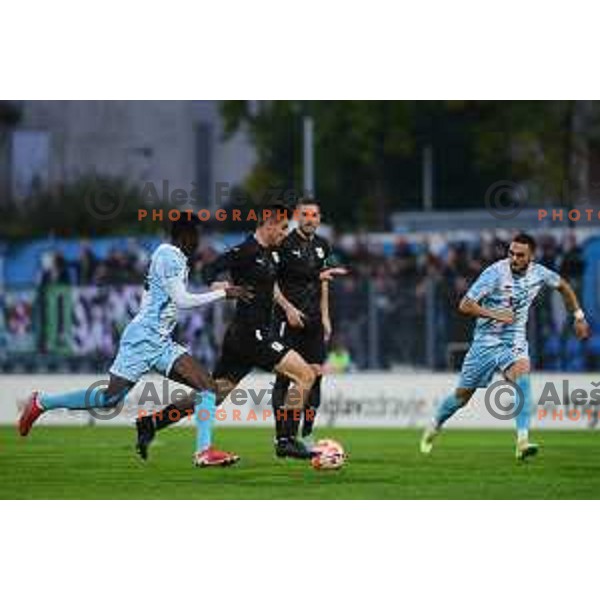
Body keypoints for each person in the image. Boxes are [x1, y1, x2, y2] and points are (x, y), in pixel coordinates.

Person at [18, 217, 252, 467]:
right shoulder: (169, 255)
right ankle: (42, 402)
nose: (199, 241)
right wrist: (223, 293)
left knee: (207, 387)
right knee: (109, 400)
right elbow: (182, 300)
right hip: (144, 339)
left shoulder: (173, 258)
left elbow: (151, 293)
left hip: (158, 340)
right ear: (185, 234)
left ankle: (204, 451)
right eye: (197, 234)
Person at [420, 232, 590, 460]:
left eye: (520, 255)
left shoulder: (540, 273)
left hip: (514, 340)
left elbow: (564, 286)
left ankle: (522, 441)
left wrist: (579, 316)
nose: (514, 258)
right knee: (462, 397)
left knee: (522, 375)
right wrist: (495, 314)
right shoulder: (494, 273)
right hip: (485, 341)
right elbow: (465, 305)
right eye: (511, 253)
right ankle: (435, 424)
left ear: (531, 256)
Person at [271, 199, 347, 449]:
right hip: (288, 320)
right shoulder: (284, 243)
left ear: (319, 219)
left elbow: (323, 282)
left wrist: (325, 316)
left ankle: (306, 432)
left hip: (314, 320)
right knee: (284, 378)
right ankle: (282, 434)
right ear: (297, 217)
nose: (310, 219)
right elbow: (272, 283)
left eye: (314, 215)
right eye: (305, 214)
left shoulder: (323, 246)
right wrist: (287, 308)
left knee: (315, 376)